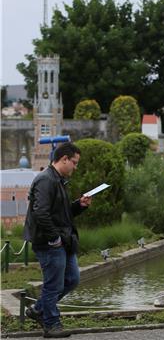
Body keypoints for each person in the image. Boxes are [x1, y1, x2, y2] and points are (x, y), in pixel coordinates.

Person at [23, 142, 92, 338]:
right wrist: (54, 239)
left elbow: (62, 214)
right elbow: (40, 213)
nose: (75, 167)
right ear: (64, 159)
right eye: (74, 163)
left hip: (63, 241)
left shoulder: (58, 180)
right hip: (49, 242)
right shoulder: (46, 180)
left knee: (71, 279)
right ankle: (52, 325)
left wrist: (79, 205)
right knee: (53, 285)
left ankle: (38, 310)